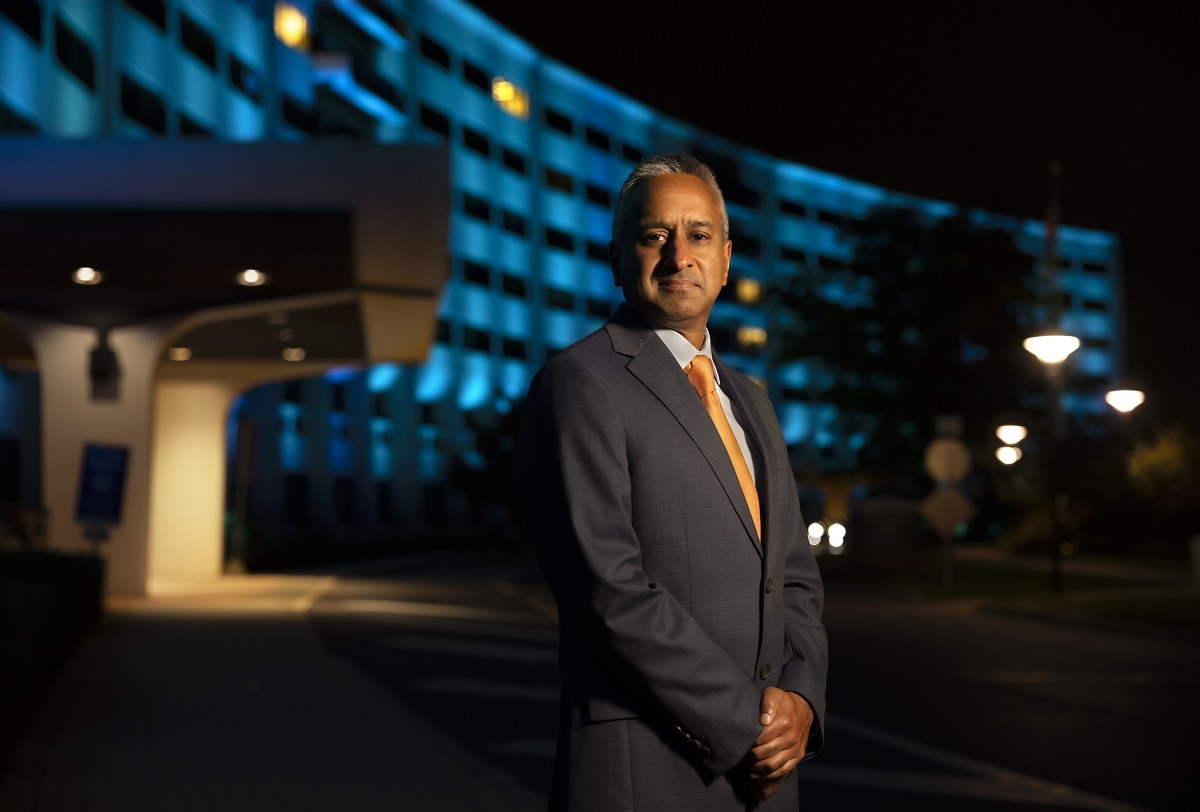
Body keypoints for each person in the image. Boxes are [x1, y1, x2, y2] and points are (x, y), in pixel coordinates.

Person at [517, 154, 828, 810]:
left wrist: (801, 698)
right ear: (618, 257)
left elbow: (794, 575)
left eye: (698, 234)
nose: (678, 254)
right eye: (654, 235)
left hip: (769, 773)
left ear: (726, 256)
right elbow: (608, 588)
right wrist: (744, 722)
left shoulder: (751, 399)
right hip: (648, 766)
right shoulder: (580, 383)